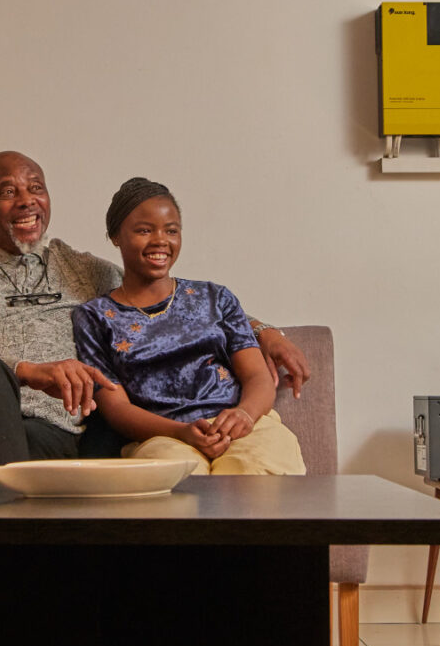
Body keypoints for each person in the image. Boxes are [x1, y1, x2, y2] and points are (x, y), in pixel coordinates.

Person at [0, 150, 308, 472]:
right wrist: (25, 371)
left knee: (94, 440)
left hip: (46, 434)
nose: (26, 202)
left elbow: (163, 295)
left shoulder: (80, 268)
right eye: (7, 192)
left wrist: (264, 330)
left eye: (35, 188)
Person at [71, 178, 307, 475]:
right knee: (181, 488)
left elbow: (258, 376)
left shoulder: (216, 298)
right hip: (162, 436)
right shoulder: (94, 317)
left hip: (242, 424)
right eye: (145, 230)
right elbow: (116, 409)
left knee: (254, 475)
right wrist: (180, 432)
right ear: (116, 235)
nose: (161, 240)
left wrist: (245, 414)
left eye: (171, 230)